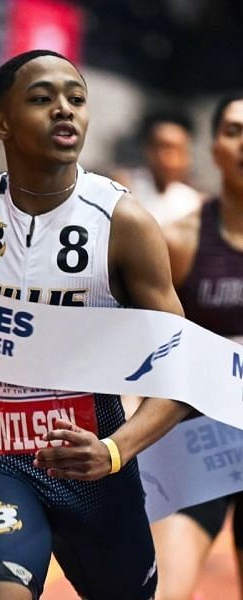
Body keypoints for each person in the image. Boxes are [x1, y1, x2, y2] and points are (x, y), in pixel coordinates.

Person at [0, 50, 190, 600]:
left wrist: (116, 450)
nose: (64, 110)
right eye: (42, 98)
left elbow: (185, 370)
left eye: (76, 99)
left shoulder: (124, 224)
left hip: (94, 460)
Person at [150, 93, 243, 600]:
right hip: (196, 446)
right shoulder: (179, 240)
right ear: (215, 147)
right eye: (233, 130)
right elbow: (138, 353)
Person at [116, 111, 203, 226]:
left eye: (178, 151)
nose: (170, 159)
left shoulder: (192, 202)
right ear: (148, 150)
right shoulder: (125, 188)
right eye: (164, 148)